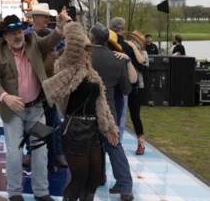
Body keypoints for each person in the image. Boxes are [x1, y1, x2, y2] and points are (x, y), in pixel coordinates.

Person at [0, 9, 69, 201]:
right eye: (13, 33)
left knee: (40, 151)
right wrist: (5, 97)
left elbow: (51, 41)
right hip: (12, 112)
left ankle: (41, 192)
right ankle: (15, 193)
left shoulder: (32, 40)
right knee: (14, 153)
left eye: (19, 32)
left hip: (36, 109)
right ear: (5, 36)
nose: (17, 36)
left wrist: (60, 26)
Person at [42, 22, 119, 201]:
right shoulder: (68, 68)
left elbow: (101, 104)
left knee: (95, 177)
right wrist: (70, 24)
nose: (88, 53)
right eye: (85, 50)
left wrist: (109, 128)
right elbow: (74, 48)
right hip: (74, 128)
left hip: (91, 129)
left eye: (89, 50)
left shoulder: (92, 74)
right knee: (79, 177)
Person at [89, 23, 135, 201]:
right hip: (108, 112)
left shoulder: (84, 57)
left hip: (84, 110)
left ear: (92, 38)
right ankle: (126, 188)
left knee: (84, 148)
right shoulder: (117, 60)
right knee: (114, 147)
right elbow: (126, 89)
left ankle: (91, 183)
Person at [23, 3, 67, 171]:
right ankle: (34, 153)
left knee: (53, 120)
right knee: (31, 120)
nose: (47, 19)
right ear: (35, 18)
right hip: (32, 83)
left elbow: (62, 52)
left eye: (48, 16)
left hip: (49, 84)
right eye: (44, 16)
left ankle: (56, 154)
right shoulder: (25, 35)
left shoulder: (52, 34)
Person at [125, 30, 149, 156]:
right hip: (123, 86)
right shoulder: (124, 51)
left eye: (134, 40)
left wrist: (133, 49)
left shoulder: (143, 53)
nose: (131, 41)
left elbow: (142, 64)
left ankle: (141, 143)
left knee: (135, 116)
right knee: (117, 115)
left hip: (137, 88)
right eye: (130, 39)